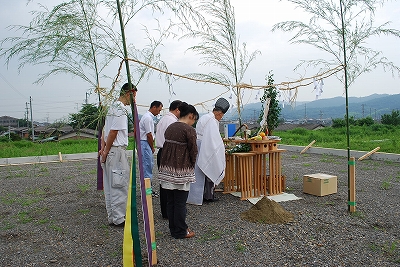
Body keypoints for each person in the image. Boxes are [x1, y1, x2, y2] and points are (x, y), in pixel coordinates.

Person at [158, 102, 199, 239]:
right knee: (180, 202)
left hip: (167, 169)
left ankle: (173, 229)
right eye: (194, 119)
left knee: (171, 201)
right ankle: (181, 231)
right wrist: (192, 165)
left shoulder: (170, 127)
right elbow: (193, 151)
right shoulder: (189, 130)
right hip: (181, 170)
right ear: (191, 116)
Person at [99, 82, 137, 227]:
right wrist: (106, 151)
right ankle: (119, 219)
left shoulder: (111, 107)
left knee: (110, 185)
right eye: (133, 97)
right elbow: (113, 132)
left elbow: (104, 130)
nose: (134, 101)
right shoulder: (120, 109)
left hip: (110, 151)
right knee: (119, 185)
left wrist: (103, 149)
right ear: (129, 94)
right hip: (116, 151)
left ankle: (113, 217)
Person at [187, 98, 230, 205]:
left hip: (199, 145)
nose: (221, 118)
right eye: (221, 116)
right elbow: (213, 139)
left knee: (199, 172)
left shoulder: (205, 117)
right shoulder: (212, 120)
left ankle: (198, 195)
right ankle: (208, 195)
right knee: (211, 166)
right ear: (219, 113)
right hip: (205, 146)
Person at [155, 100, 182, 219]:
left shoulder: (163, 119)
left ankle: (165, 211)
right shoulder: (172, 121)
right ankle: (170, 211)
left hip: (162, 152)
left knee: (164, 183)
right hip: (168, 152)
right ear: (177, 109)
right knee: (170, 182)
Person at [139, 101, 163, 182]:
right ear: (154, 107)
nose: (158, 112)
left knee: (148, 165)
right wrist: (152, 147)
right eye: (159, 110)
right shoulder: (148, 118)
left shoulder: (147, 117)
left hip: (145, 143)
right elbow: (149, 134)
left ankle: (147, 189)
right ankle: (147, 191)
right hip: (146, 143)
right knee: (147, 166)